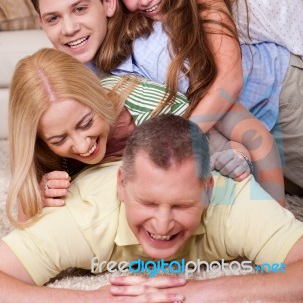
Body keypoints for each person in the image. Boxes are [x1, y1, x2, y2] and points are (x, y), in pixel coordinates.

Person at [28, 0, 288, 200]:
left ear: (108, 2)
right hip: (245, 119)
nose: (70, 28)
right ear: (41, 22)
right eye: (53, 18)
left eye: (80, 9)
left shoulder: (152, 53)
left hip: (281, 94)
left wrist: (237, 155)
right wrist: (44, 183)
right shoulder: (67, 76)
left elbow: (242, 127)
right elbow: (48, 144)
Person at [1, 114, 303, 302]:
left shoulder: (233, 200)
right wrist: (94, 300)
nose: (162, 224)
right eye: (147, 203)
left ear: (207, 190)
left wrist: (206, 292)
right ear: (122, 185)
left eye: (181, 205)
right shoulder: (84, 217)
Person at [97, 0, 303, 192]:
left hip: (283, 86)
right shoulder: (137, 26)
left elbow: (230, 78)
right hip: (249, 107)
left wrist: (180, 136)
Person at [8, 47, 258, 226]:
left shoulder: (148, 104)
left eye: (86, 123)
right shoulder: (44, 148)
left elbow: (232, 145)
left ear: (97, 96)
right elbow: (22, 226)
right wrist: (38, 196)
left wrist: (237, 157)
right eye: (59, 140)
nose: (82, 145)